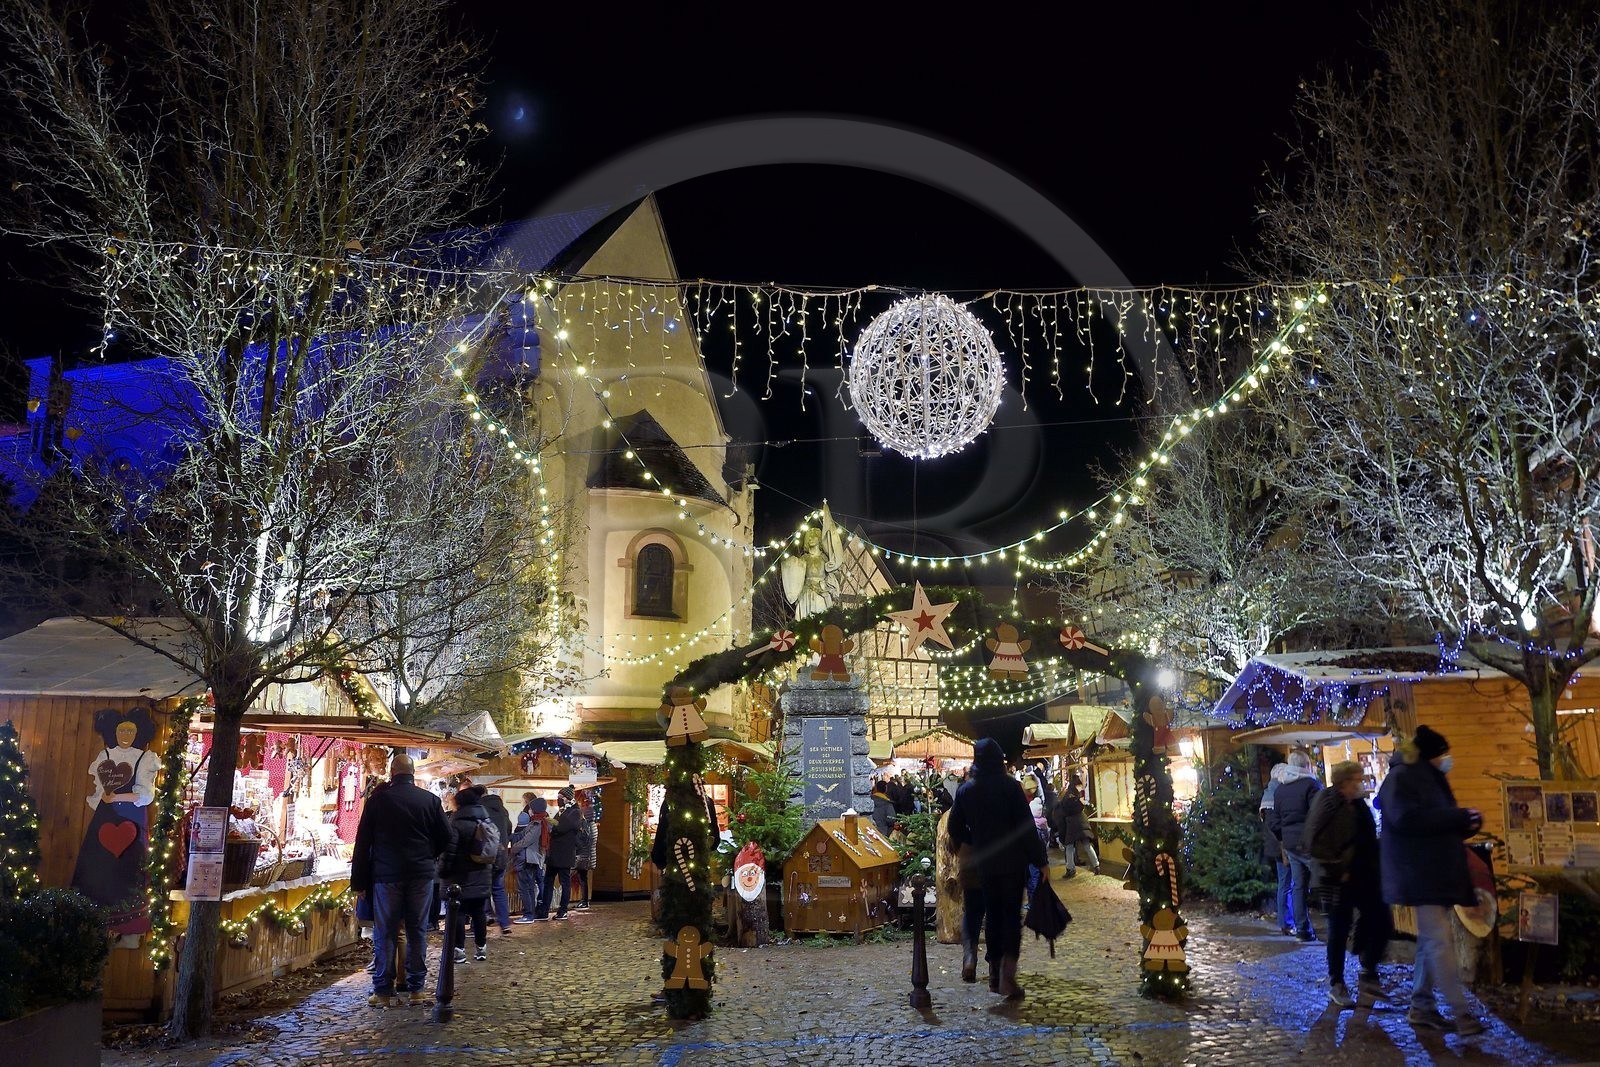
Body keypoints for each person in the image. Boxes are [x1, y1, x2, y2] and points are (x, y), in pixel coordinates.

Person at [1376, 726, 1485, 1036]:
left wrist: (1464, 822)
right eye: (1442, 754)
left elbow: (1432, 820)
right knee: (1438, 942)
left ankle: (1422, 1007)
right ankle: (1461, 1014)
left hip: (1430, 873)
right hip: (1421, 874)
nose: (1446, 760)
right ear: (1430, 755)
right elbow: (1408, 819)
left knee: (1430, 941)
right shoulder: (1405, 777)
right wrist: (1457, 818)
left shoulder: (1423, 776)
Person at [946, 737, 1048, 1000]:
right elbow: (1026, 827)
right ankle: (1007, 977)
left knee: (992, 916)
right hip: (1012, 864)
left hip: (985, 864)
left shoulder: (966, 791)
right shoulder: (1010, 787)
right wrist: (1040, 860)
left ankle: (993, 975)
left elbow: (954, 827)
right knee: (1011, 918)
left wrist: (973, 840)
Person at [351, 753, 453, 1008]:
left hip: (387, 874)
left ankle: (383, 991)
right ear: (413, 773)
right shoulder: (430, 800)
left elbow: (363, 842)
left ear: (392, 772)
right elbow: (446, 836)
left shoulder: (378, 800)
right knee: (417, 930)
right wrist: (428, 854)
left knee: (385, 932)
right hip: (420, 874)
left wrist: (359, 882)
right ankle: (417, 989)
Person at [1304, 760, 1390, 1009]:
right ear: (1344, 782)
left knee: (1381, 919)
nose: (1361, 783)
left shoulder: (1357, 803)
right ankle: (1337, 982)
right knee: (1339, 929)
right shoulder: (1328, 802)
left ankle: (1368, 968)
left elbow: (1365, 837)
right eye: (1357, 779)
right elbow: (1313, 840)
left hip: (1363, 875)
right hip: (1337, 878)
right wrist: (1338, 866)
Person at [1268, 750, 1321, 942]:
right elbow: (1319, 813)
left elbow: (1274, 821)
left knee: (1298, 886)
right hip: (1309, 844)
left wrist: (1284, 838)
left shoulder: (1280, 789)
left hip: (1290, 845)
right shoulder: (1311, 785)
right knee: (1325, 883)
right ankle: (1335, 925)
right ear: (1306, 766)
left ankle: (1302, 929)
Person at [438, 787, 495, 964]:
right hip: (482, 875)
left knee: (458, 914)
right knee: (478, 912)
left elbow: (449, 852)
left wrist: (442, 872)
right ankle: (481, 948)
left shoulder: (456, 823)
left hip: (459, 877)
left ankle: (459, 950)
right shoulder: (486, 821)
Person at [472, 785, 515, 937]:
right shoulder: (502, 810)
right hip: (501, 854)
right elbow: (509, 829)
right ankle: (505, 923)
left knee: (480, 889)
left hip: (485, 855)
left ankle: (479, 923)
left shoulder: (479, 810)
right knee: (498, 889)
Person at [537, 785, 582, 920]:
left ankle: (563, 910)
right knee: (548, 882)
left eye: (561, 797)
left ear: (567, 798)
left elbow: (562, 827)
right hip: (554, 853)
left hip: (565, 854)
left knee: (564, 882)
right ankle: (544, 911)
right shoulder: (563, 811)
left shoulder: (574, 812)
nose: (558, 799)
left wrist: (553, 824)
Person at [1260, 764, 1294, 935]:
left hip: (1275, 845)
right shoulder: (1276, 793)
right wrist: (1283, 843)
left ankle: (1286, 921)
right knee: (1286, 883)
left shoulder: (1268, 794)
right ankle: (1286, 922)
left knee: (1285, 883)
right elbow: (1275, 825)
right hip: (1280, 846)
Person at [511, 794, 548, 923]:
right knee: (530, 887)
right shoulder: (537, 822)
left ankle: (528, 914)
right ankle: (530, 913)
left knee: (525, 887)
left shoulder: (537, 824)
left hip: (528, 859)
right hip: (532, 859)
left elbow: (527, 840)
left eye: (531, 808)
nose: (529, 810)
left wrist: (514, 847)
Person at [1052, 788, 1100, 878]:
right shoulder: (1076, 801)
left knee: (1069, 847)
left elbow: (1061, 822)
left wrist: (1061, 836)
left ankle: (1070, 869)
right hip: (1083, 824)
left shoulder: (1062, 805)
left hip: (1071, 826)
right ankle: (1096, 865)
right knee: (1087, 846)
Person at [573, 790, 598, 910]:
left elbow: (585, 842)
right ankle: (584, 900)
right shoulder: (593, 826)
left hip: (585, 856)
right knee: (583, 878)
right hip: (588, 856)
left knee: (583, 878)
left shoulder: (587, 827)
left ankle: (584, 901)